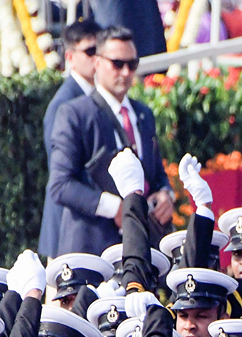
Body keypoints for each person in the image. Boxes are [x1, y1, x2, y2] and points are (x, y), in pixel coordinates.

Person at [46, 26, 173, 257]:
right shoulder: (74, 114)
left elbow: (156, 173)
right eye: (117, 64)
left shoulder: (144, 114)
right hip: (91, 252)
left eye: (132, 64)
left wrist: (165, 194)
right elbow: (61, 185)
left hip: (141, 252)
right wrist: (116, 208)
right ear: (97, 63)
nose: (125, 72)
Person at [39, 18, 102, 259]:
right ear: (70, 57)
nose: (97, 58)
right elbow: (62, 175)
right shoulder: (63, 105)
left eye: (100, 50)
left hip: (89, 227)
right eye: (90, 51)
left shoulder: (97, 95)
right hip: (67, 229)